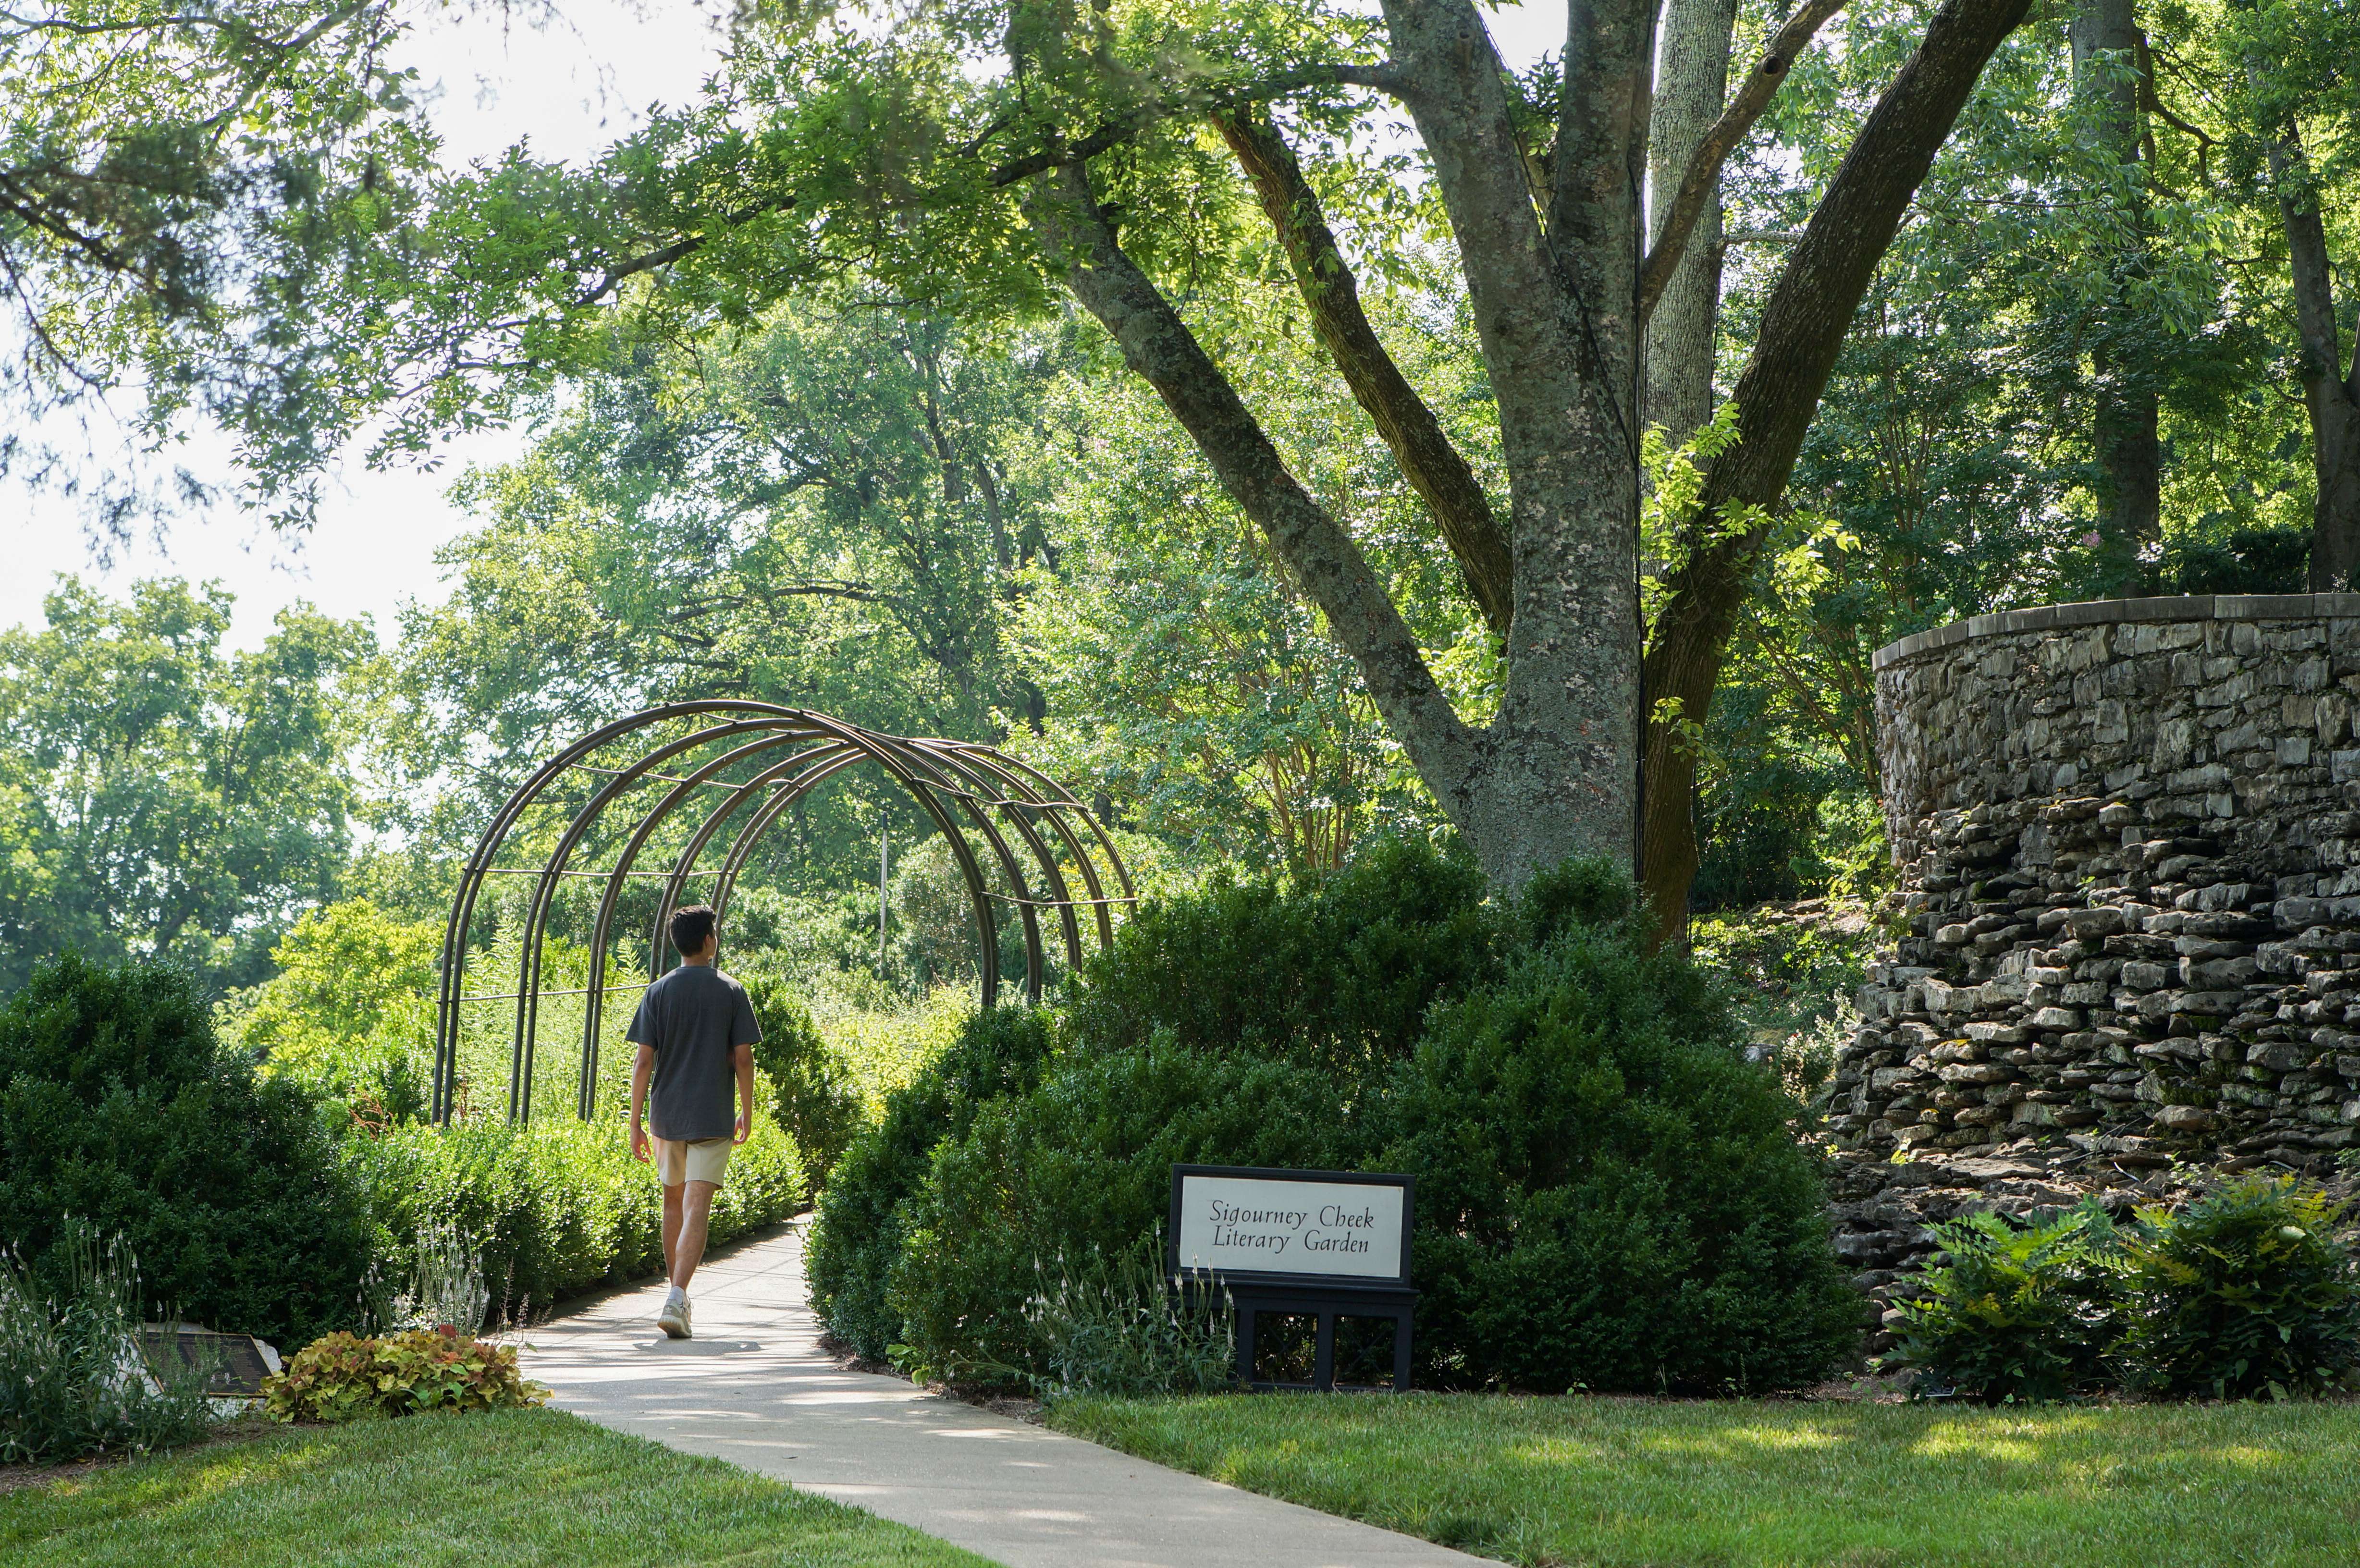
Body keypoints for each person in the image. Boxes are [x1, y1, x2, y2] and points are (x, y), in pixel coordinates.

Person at [628, 904, 761, 1340]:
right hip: (712, 1117)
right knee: (697, 1208)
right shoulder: (730, 991)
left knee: (673, 1205)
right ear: (709, 941)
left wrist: (635, 1123)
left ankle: (675, 1297)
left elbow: (643, 1060)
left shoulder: (657, 992)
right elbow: (743, 1058)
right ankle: (677, 1296)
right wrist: (748, 1109)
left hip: (667, 1116)